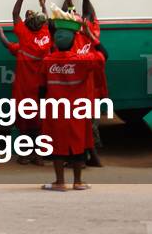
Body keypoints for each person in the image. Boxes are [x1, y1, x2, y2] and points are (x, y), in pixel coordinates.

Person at [39, 10, 105, 191]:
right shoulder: (82, 61)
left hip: (55, 111)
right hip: (77, 111)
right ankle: (78, 182)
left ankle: (60, 182)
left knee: (56, 145)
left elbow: (41, 89)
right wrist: (90, 35)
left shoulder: (47, 61)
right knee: (79, 144)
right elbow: (103, 55)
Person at [0, 0, 51, 165]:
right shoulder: (46, 36)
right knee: (41, 122)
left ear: (27, 25)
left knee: (24, 125)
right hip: (42, 88)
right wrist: (43, 5)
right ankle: (40, 155)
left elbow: (14, 14)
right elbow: (47, 21)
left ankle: (25, 154)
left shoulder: (24, 40)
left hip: (24, 89)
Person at [64, 0, 106, 167]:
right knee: (87, 126)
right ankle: (92, 157)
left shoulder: (84, 36)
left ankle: (85, 158)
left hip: (88, 90)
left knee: (86, 126)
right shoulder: (86, 35)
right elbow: (71, 14)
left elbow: (83, 14)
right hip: (87, 90)